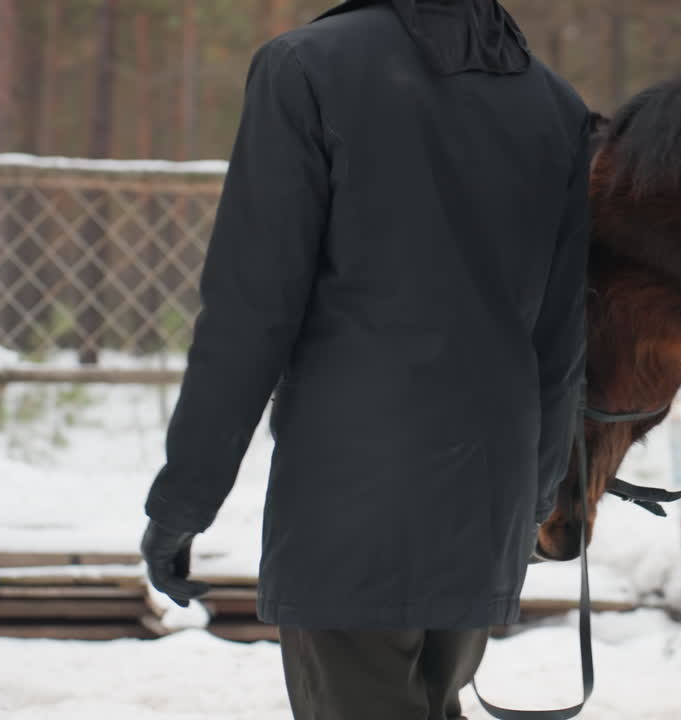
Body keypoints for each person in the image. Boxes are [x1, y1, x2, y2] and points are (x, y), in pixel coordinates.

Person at [138, 1, 591, 717]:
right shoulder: (556, 107)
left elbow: (249, 315)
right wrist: (529, 500)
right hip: (487, 495)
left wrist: (184, 502)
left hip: (353, 501)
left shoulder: (306, 70)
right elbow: (561, 342)